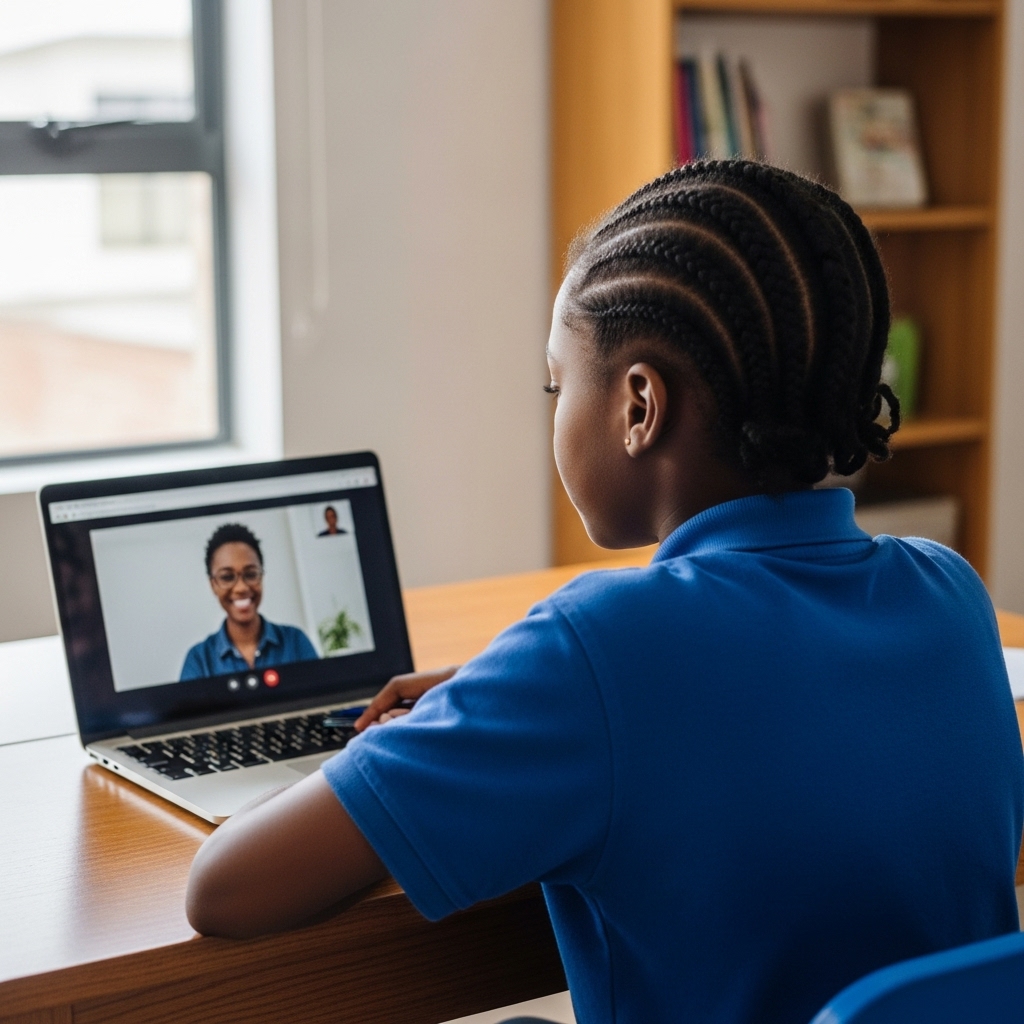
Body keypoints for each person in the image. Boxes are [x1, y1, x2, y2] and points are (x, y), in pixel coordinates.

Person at [185, 163, 1024, 1024]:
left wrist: (469, 726)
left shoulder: (599, 650)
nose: (552, 410)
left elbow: (225, 890)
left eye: (556, 385)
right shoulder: (950, 594)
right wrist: (513, 699)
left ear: (638, 406)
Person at [180, 523, 318, 680]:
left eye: (251, 574)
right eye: (227, 577)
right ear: (213, 585)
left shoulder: (296, 642)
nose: (241, 587)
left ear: (262, 576)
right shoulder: (199, 661)